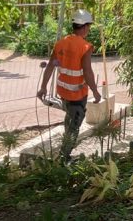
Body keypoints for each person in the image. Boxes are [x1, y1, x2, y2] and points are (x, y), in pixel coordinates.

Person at [36, 9, 101, 162]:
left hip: (63, 93)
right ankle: (63, 159)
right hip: (77, 96)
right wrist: (96, 92)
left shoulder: (61, 43)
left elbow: (51, 66)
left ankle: (64, 157)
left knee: (70, 121)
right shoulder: (85, 47)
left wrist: (43, 87)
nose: (88, 30)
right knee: (73, 128)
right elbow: (87, 73)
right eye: (89, 27)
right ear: (84, 27)